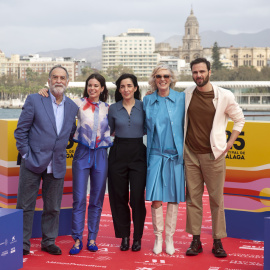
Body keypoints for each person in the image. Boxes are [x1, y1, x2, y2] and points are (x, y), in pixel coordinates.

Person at [38, 73, 112, 255]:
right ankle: (77, 239)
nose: (92, 89)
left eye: (96, 86)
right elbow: (57, 102)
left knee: (96, 199)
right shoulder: (77, 104)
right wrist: (44, 92)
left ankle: (92, 238)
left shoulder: (109, 108)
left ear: (102, 88)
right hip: (81, 154)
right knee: (79, 199)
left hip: (101, 155)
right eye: (90, 85)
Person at [184, 58, 245, 258]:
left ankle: (217, 242)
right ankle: (196, 241)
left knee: (216, 200)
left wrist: (229, 144)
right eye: (195, 72)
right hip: (191, 154)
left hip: (214, 155)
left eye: (202, 71)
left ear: (210, 72)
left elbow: (239, 119)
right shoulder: (187, 94)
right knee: (193, 200)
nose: (198, 75)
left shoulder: (224, 96)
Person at [15, 65, 78, 256]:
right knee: (25, 206)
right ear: (49, 80)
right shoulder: (35, 99)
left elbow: (71, 132)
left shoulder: (72, 107)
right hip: (32, 162)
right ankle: (23, 243)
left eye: (62, 77)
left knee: (53, 207)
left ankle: (49, 241)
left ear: (67, 81)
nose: (58, 80)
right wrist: (26, 155)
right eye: (54, 77)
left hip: (57, 163)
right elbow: (21, 131)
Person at [143, 64, 185, 255]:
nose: (162, 79)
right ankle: (158, 237)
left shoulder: (181, 98)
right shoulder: (147, 100)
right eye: (159, 76)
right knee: (157, 199)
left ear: (171, 78)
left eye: (166, 76)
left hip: (175, 156)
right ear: (154, 78)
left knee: (174, 199)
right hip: (155, 155)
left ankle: (170, 238)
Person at [108, 73, 147, 252]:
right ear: (119, 89)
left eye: (129, 86)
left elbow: (149, 129)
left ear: (136, 88)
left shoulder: (143, 106)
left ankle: (137, 238)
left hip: (138, 153)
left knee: (137, 198)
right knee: (119, 198)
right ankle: (124, 236)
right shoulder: (113, 109)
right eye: (122, 86)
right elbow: (109, 131)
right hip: (117, 154)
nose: (126, 89)